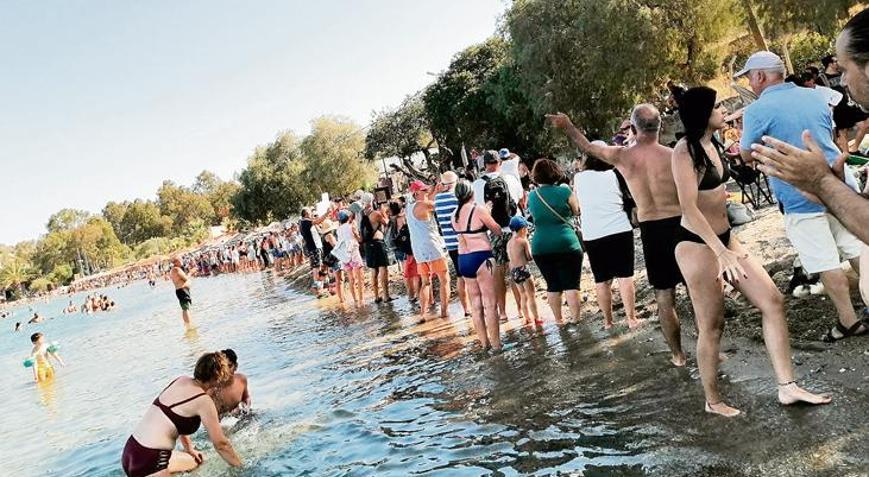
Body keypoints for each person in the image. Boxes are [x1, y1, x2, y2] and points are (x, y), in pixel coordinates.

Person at [672, 86, 832, 417]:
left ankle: (788, 387)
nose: (722, 112)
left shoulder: (711, 143)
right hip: (697, 245)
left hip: (725, 239)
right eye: (716, 107)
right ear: (703, 114)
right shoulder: (684, 150)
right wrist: (720, 253)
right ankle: (713, 401)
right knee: (712, 325)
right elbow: (689, 209)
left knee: (772, 301)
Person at [735, 50, 866, 342]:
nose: (750, 84)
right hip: (838, 182)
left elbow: (746, 153)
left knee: (823, 260)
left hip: (799, 193)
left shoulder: (757, 110)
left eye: (749, 78)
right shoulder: (816, 95)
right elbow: (829, 134)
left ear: (759, 76)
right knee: (856, 248)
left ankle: (849, 321)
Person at [548, 108, 687, 365]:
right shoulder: (673, 155)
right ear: (658, 128)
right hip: (681, 224)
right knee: (695, 290)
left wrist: (567, 125)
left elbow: (589, 147)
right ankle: (710, 346)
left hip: (652, 230)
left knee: (665, 297)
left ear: (633, 130)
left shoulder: (624, 156)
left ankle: (678, 355)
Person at [121, 352, 243, 476]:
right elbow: (221, 444)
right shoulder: (204, 401)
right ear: (218, 377)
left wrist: (189, 449)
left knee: (196, 462)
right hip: (151, 460)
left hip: (131, 452)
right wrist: (242, 469)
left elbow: (176, 418)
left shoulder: (180, 380)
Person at [573, 152, 640, 330]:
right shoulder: (616, 174)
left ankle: (608, 322)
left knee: (601, 280)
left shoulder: (579, 178)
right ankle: (631, 319)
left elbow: (577, 206)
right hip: (619, 229)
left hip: (593, 234)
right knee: (625, 277)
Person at [526, 159, 584, 323]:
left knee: (552, 285)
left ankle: (559, 320)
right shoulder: (565, 192)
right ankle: (576, 320)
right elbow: (576, 210)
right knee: (572, 284)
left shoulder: (532, 195)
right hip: (566, 242)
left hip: (540, 246)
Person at [472, 150, 525, 322]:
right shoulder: (510, 178)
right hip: (513, 231)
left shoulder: (477, 185)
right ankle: (521, 309)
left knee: (498, 273)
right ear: (500, 163)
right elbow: (521, 201)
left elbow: (478, 211)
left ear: (484, 165)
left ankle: (502, 312)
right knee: (515, 269)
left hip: (492, 232)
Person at [452, 180, 504, 350]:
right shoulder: (478, 209)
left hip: (463, 259)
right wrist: (488, 212)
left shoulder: (454, 214)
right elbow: (497, 229)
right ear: (471, 193)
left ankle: (484, 345)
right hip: (482, 257)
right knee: (490, 303)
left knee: (475, 305)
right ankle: (497, 346)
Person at [408, 180, 452, 319]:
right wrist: (440, 192)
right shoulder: (424, 204)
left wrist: (434, 191)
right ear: (416, 193)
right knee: (444, 279)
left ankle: (422, 314)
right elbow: (436, 205)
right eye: (424, 191)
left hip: (418, 250)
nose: (427, 192)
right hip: (432, 246)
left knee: (426, 282)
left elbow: (428, 202)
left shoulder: (408, 207)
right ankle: (444, 312)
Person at [435, 171, 470, 317]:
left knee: (460, 275)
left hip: (450, 244)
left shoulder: (437, 200)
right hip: (463, 241)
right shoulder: (457, 198)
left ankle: (465, 309)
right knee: (470, 276)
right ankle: (474, 306)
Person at [506, 216, 541, 326]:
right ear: (522, 229)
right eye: (526, 228)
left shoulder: (509, 243)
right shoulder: (523, 241)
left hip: (514, 271)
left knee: (522, 295)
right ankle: (537, 318)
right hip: (523, 269)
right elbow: (529, 257)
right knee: (531, 295)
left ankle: (527, 318)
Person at [360, 193, 393, 303]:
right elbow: (386, 223)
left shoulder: (362, 213)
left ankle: (376, 296)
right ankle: (386, 296)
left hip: (368, 245)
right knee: (383, 268)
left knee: (373, 270)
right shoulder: (375, 214)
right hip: (377, 243)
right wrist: (383, 211)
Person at [389, 200, 420, 303]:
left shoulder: (391, 220)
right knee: (414, 272)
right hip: (408, 247)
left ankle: (410, 295)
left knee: (406, 273)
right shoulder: (404, 218)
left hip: (397, 248)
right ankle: (419, 294)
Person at [299, 207, 332, 297]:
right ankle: (317, 289)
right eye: (310, 212)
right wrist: (326, 212)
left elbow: (318, 224)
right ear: (306, 214)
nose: (311, 214)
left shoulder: (303, 223)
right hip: (314, 248)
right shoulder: (305, 222)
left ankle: (320, 288)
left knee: (318, 267)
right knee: (317, 268)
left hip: (313, 248)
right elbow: (318, 221)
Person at [336, 210, 365, 306]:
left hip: (345, 256)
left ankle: (355, 300)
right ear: (348, 218)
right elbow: (359, 239)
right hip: (353, 252)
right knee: (360, 278)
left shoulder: (338, 230)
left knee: (351, 279)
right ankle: (361, 300)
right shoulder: (351, 226)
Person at [213, 349, 250, 417]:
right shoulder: (213, 388)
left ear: (236, 366)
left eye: (229, 366)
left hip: (240, 417)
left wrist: (246, 407)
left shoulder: (241, 379)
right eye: (223, 367)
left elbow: (246, 397)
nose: (226, 370)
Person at [169, 257, 193, 327]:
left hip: (180, 290)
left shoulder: (173, 270)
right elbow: (186, 279)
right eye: (180, 260)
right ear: (176, 261)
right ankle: (189, 325)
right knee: (186, 308)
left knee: (184, 308)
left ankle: (187, 324)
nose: (182, 261)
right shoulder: (176, 269)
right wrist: (191, 273)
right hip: (182, 290)